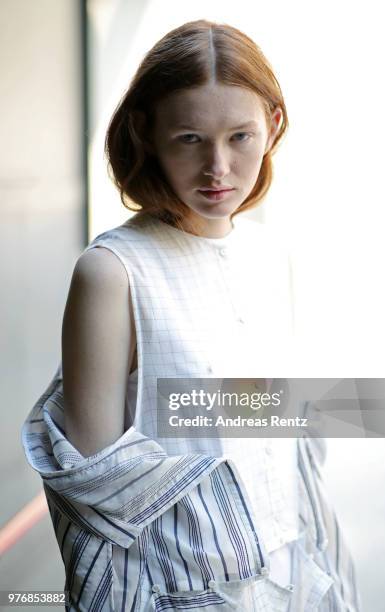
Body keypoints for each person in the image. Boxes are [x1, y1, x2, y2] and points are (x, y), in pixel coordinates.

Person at [21, 19, 361, 611]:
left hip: (295, 579)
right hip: (180, 594)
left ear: (273, 125)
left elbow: (254, 416)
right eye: (189, 138)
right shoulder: (113, 271)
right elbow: (96, 493)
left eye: (239, 137)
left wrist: (363, 407)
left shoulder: (268, 256)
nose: (218, 168)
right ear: (144, 131)